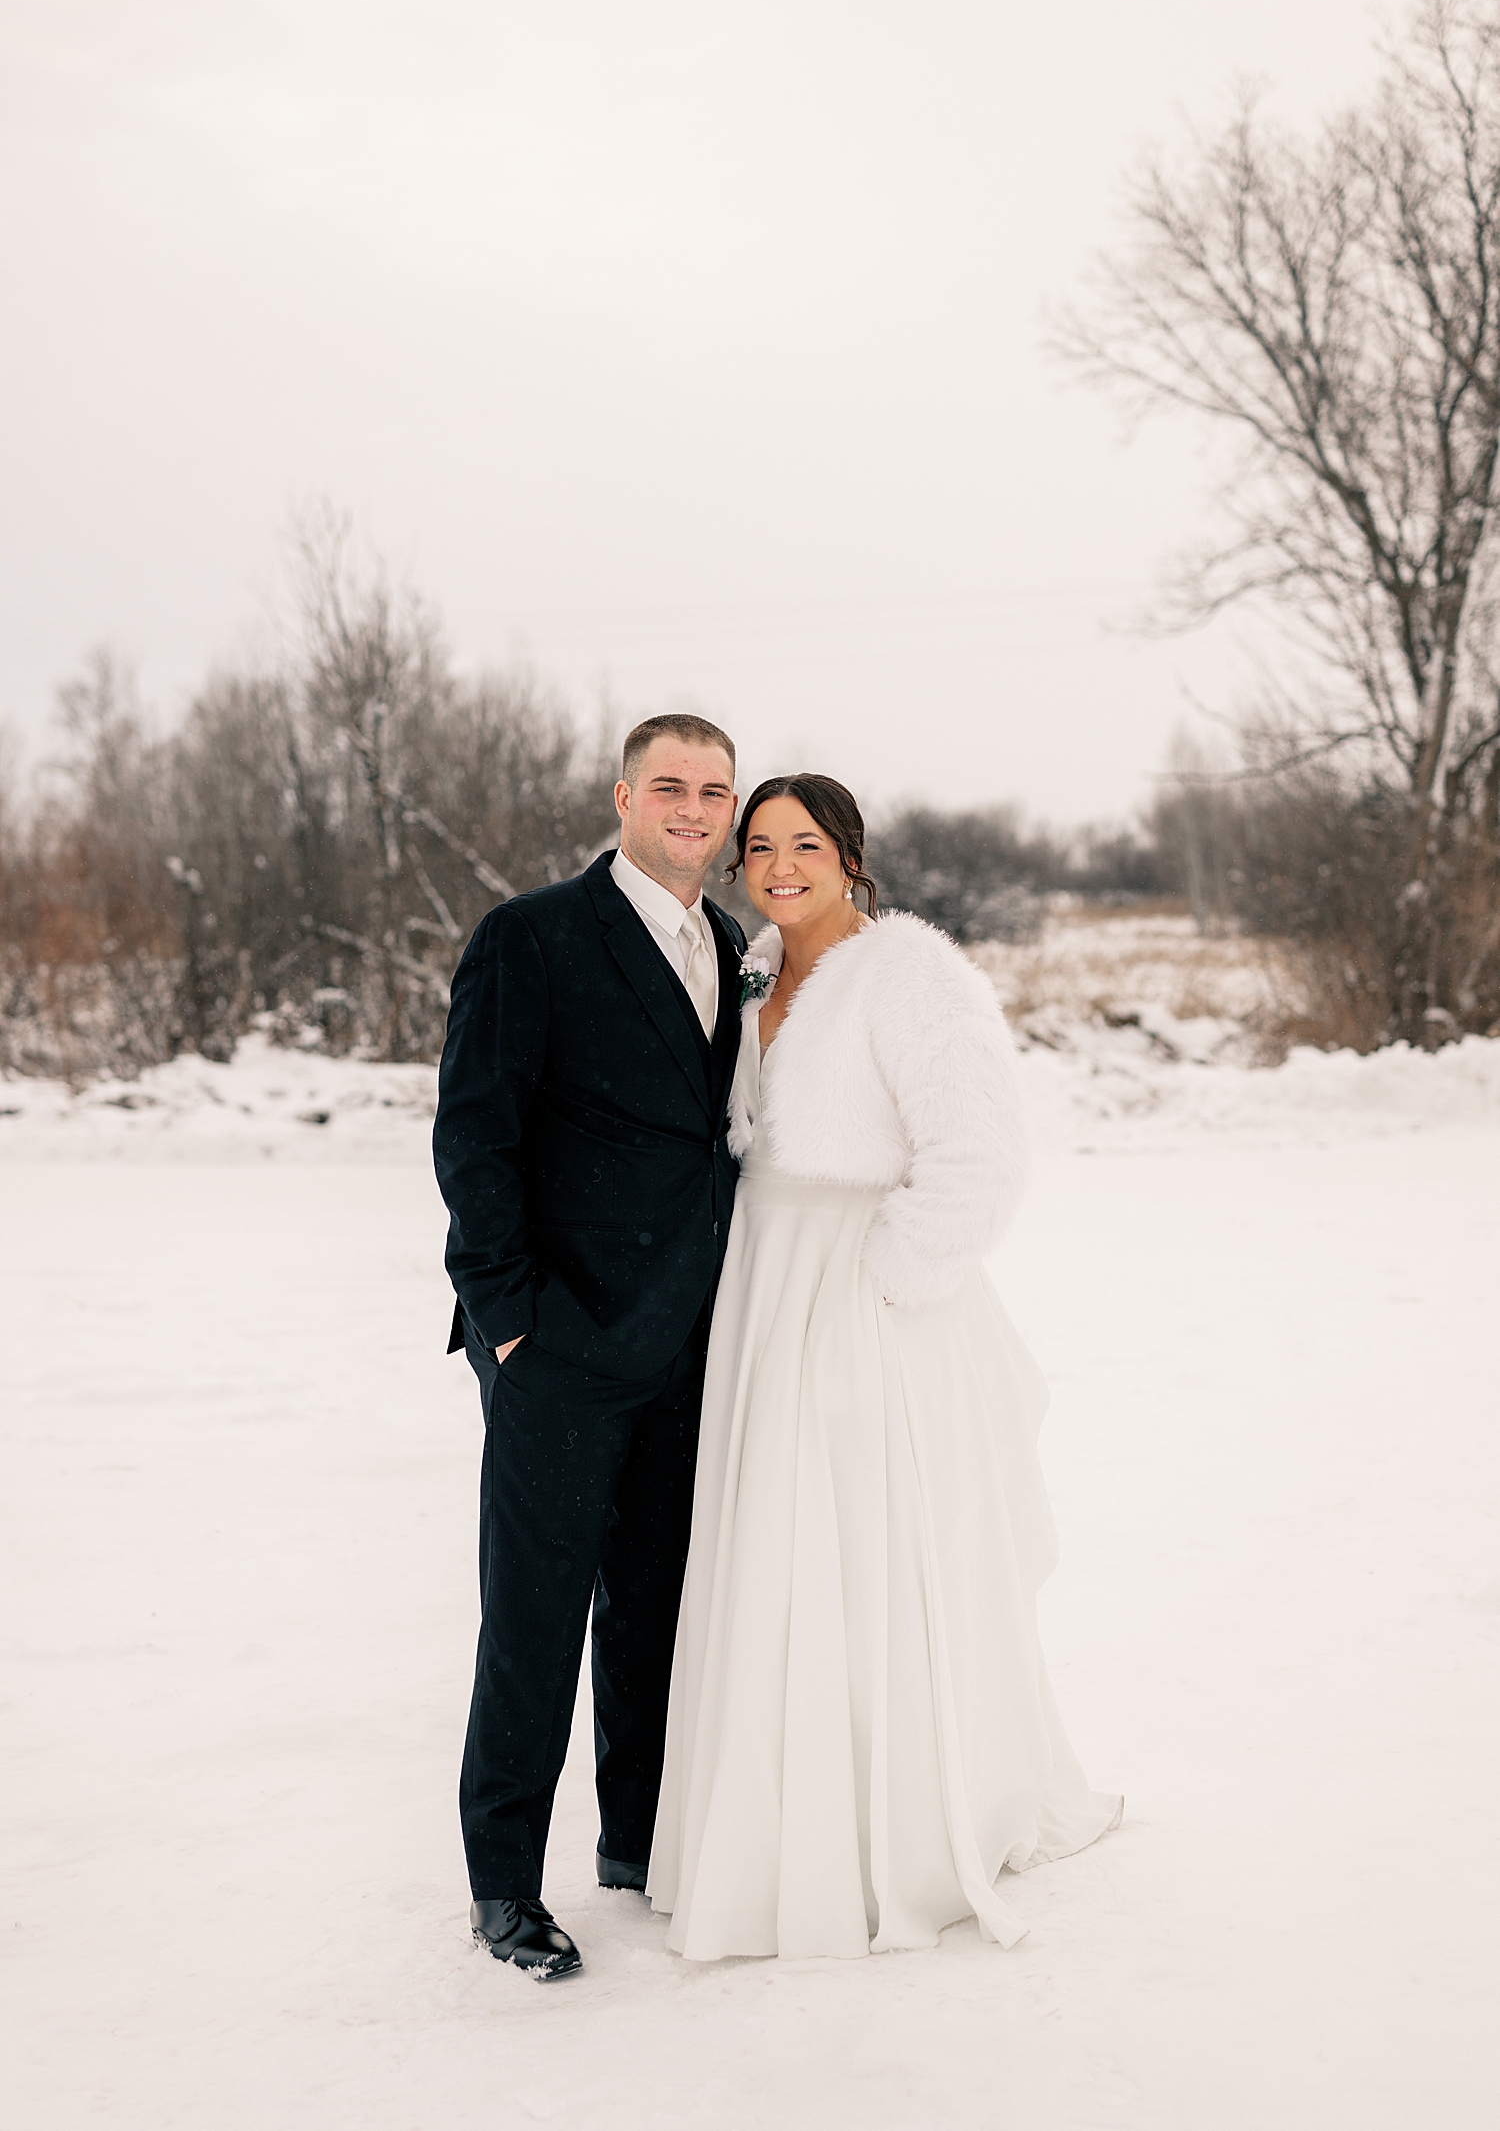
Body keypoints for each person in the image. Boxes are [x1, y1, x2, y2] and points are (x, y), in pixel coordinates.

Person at [648, 774, 1121, 1959]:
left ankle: (887, 1828)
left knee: (858, 1551)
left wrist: (886, 1285)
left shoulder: (910, 975)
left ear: (850, 857)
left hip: (864, 1294)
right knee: (772, 1549)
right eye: (759, 847)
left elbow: (981, 1157)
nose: (779, 865)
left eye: (803, 844)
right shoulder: (749, 965)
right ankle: (768, 1824)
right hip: (764, 1284)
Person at [433, 714, 744, 1980]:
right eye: (669, 785)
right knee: (535, 1619)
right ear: (622, 796)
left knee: (658, 1611)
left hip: (688, 1346)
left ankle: (637, 1844)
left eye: (714, 790)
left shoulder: (731, 945)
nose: (693, 807)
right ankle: (504, 1885)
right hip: (557, 1345)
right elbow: (476, 1135)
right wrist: (511, 1320)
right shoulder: (534, 936)